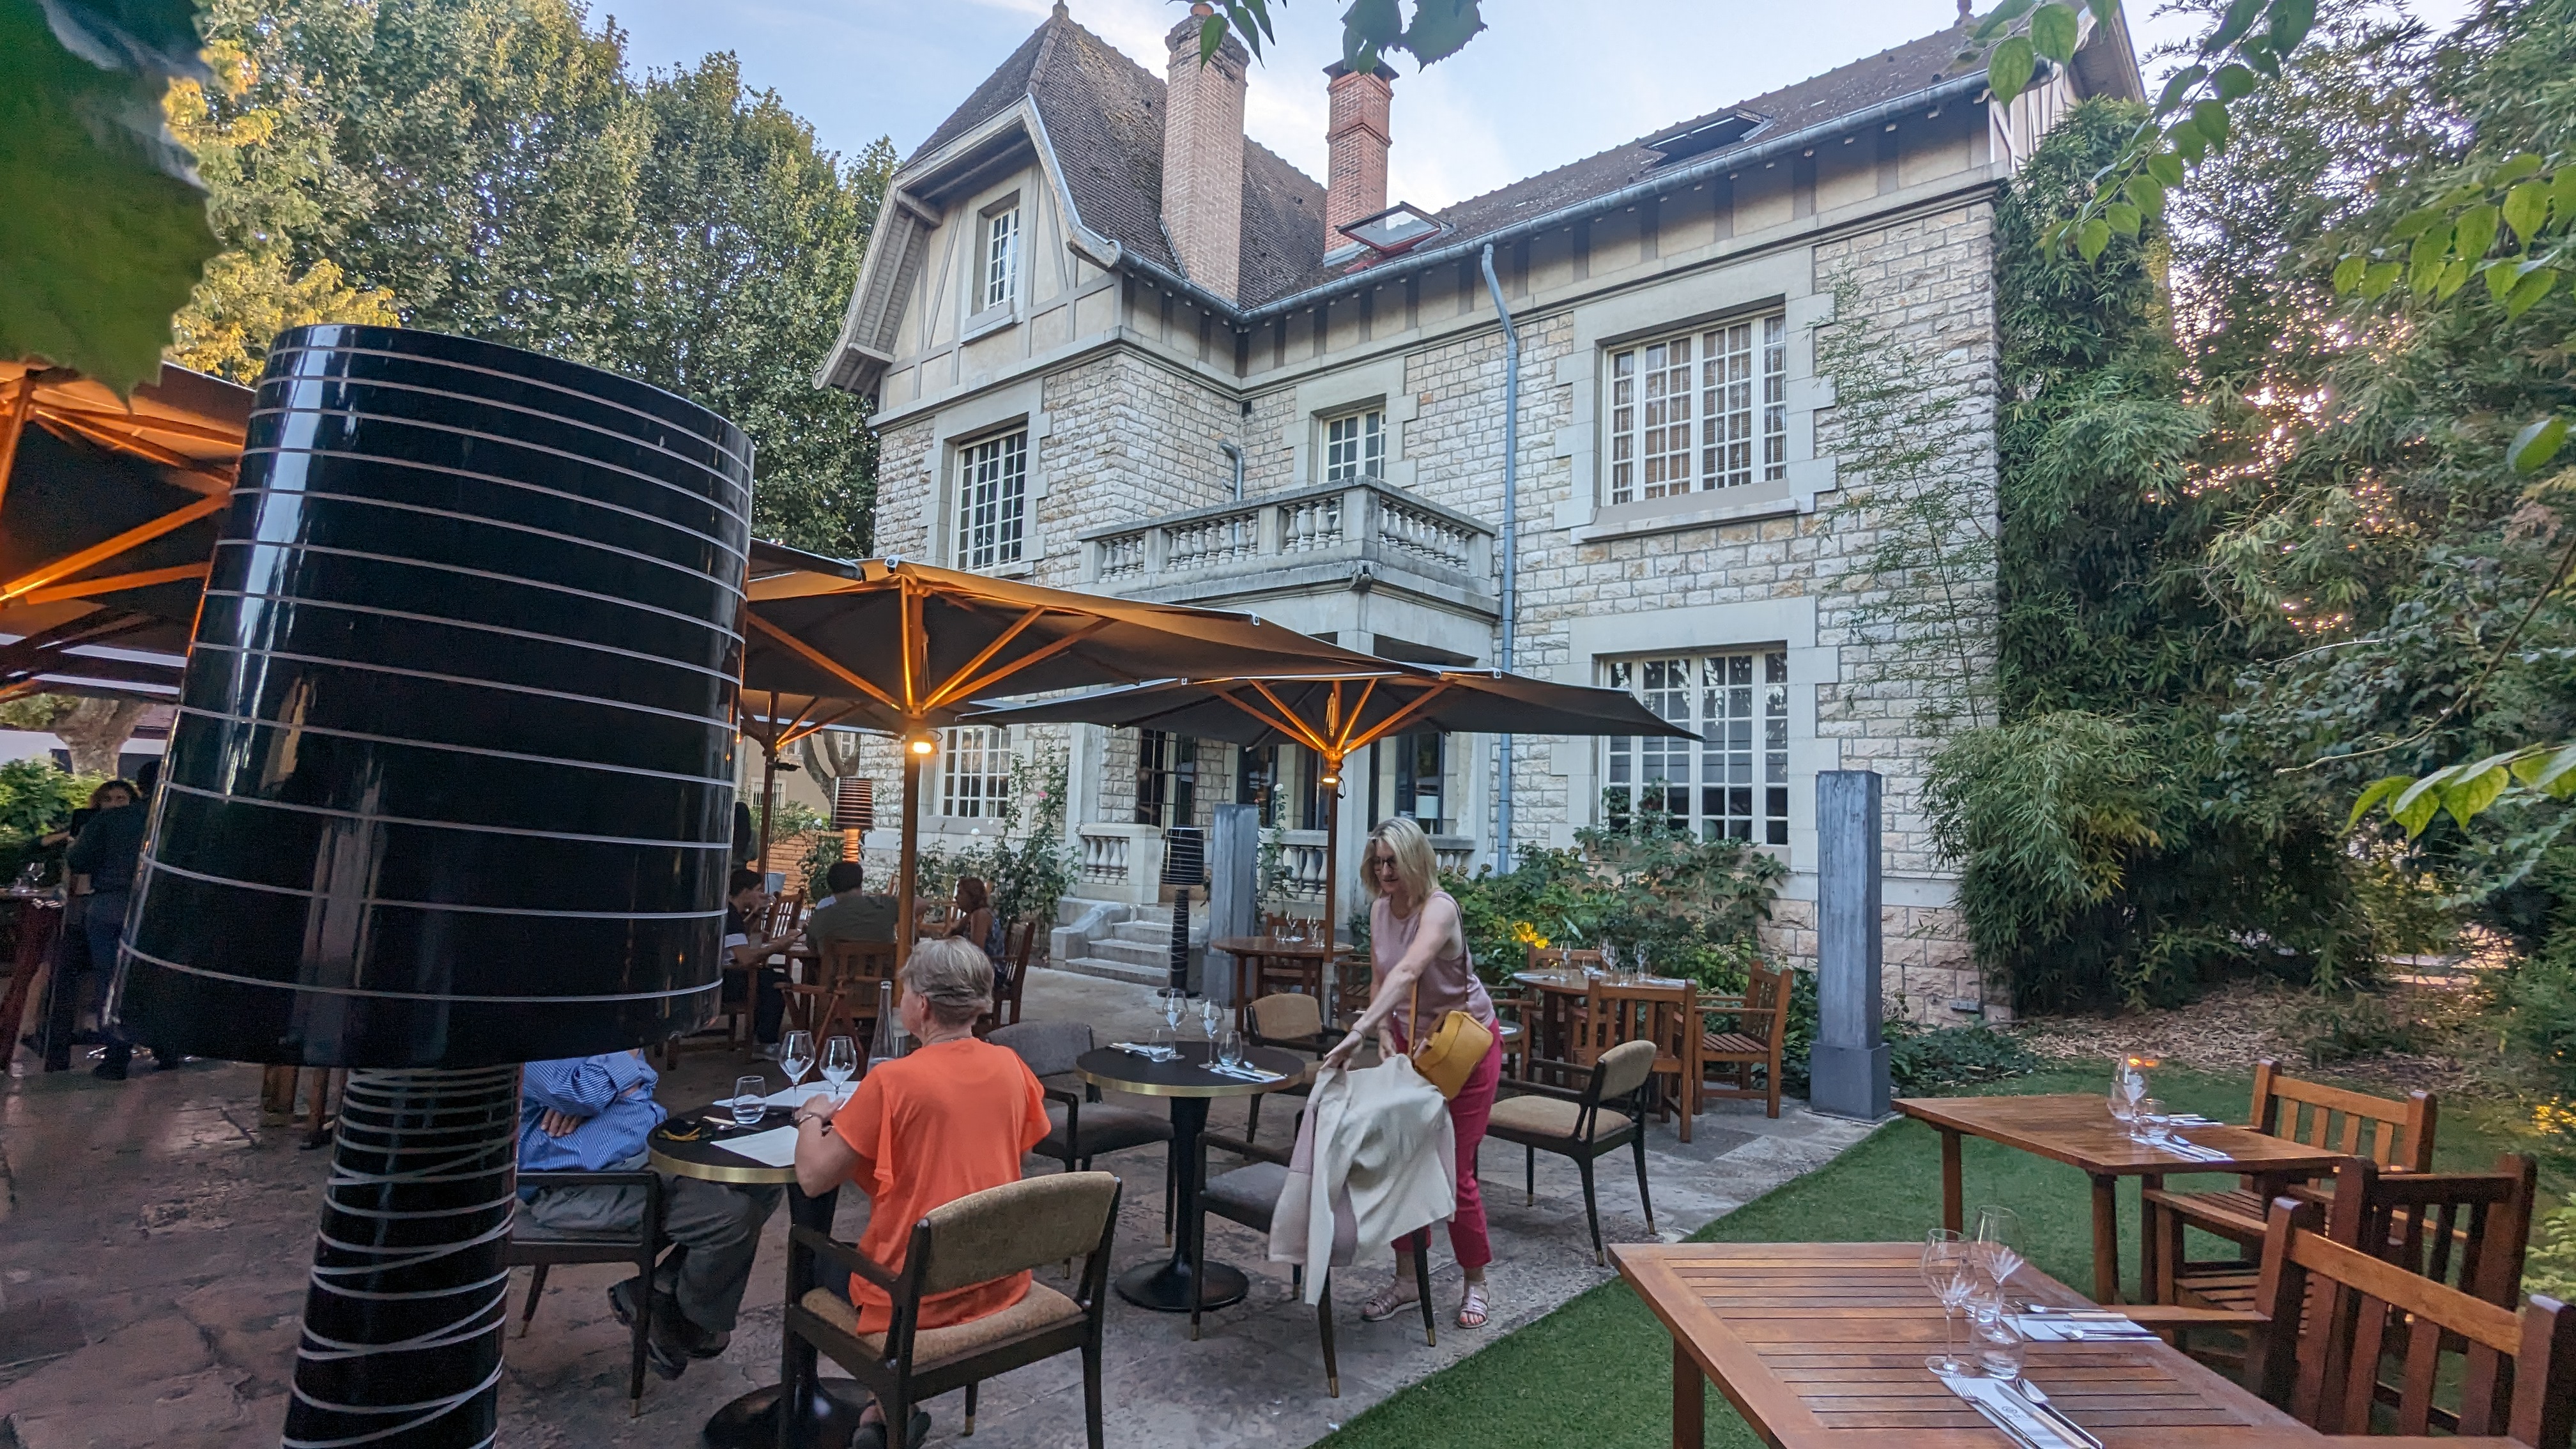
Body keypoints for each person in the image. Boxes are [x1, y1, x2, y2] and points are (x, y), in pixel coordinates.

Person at [790, 937, 1049, 1446]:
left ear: (923, 1005)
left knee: (812, 1259)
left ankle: (857, 1401)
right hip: (998, 1277)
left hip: (914, 1297)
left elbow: (814, 1177)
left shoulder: (894, 1082)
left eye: (905, 992)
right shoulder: (1011, 1067)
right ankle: (887, 1409)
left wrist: (811, 1117)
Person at [1321, 815, 1503, 1330]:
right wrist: (1383, 1031)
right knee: (1400, 1162)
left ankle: (1475, 1281)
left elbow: (1408, 971)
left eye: (1393, 862)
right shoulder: (1381, 909)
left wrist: (1358, 1031)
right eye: (1378, 862)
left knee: (1453, 1171)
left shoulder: (1440, 909)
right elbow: (1383, 975)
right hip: (1410, 1047)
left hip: (1464, 1049)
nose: (1384, 872)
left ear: (1416, 860)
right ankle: (1406, 1280)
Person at [518, 1049, 783, 1379]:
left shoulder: (598, 1031)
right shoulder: (535, 1035)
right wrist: (612, 1078)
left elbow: (639, 1082)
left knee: (762, 1182)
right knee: (730, 1217)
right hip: (578, 1187)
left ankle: (656, 1294)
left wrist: (603, 1091)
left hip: (646, 1159)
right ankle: (689, 1321)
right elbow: (579, 1094)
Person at [65, 779, 142, 1079]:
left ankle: (116, 1054)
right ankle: (166, 1049)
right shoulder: (154, 820)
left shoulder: (102, 822)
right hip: (148, 906)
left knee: (109, 979)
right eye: (109, 799)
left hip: (109, 904)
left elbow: (79, 861)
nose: (114, 804)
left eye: (119, 798)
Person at [723, 868, 802, 1058]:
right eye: (758, 890)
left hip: (720, 976)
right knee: (777, 982)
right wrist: (778, 946)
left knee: (769, 977)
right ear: (745, 892)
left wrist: (755, 915)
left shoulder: (730, 912)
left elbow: (738, 938)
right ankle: (766, 1043)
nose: (762, 894)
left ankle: (759, 1038)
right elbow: (746, 958)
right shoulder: (731, 916)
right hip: (726, 981)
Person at [803, 861, 898, 947]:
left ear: (831, 885)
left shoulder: (820, 918)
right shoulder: (887, 905)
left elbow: (813, 948)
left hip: (836, 961)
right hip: (884, 961)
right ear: (860, 882)